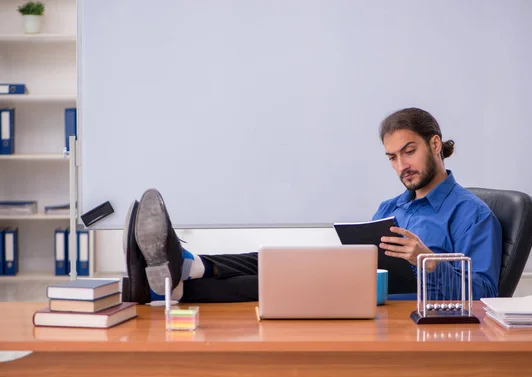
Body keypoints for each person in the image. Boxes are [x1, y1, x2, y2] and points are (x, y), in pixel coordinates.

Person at [124, 107, 502, 305]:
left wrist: (427, 258)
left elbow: (485, 294)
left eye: (409, 152)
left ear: (435, 145)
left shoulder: (472, 214)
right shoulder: (392, 206)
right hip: (362, 289)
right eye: (391, 157)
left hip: (397, 312)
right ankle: (186, 270)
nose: (401, 166)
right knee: (275, 260)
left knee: (281, 283)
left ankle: (169, 281)